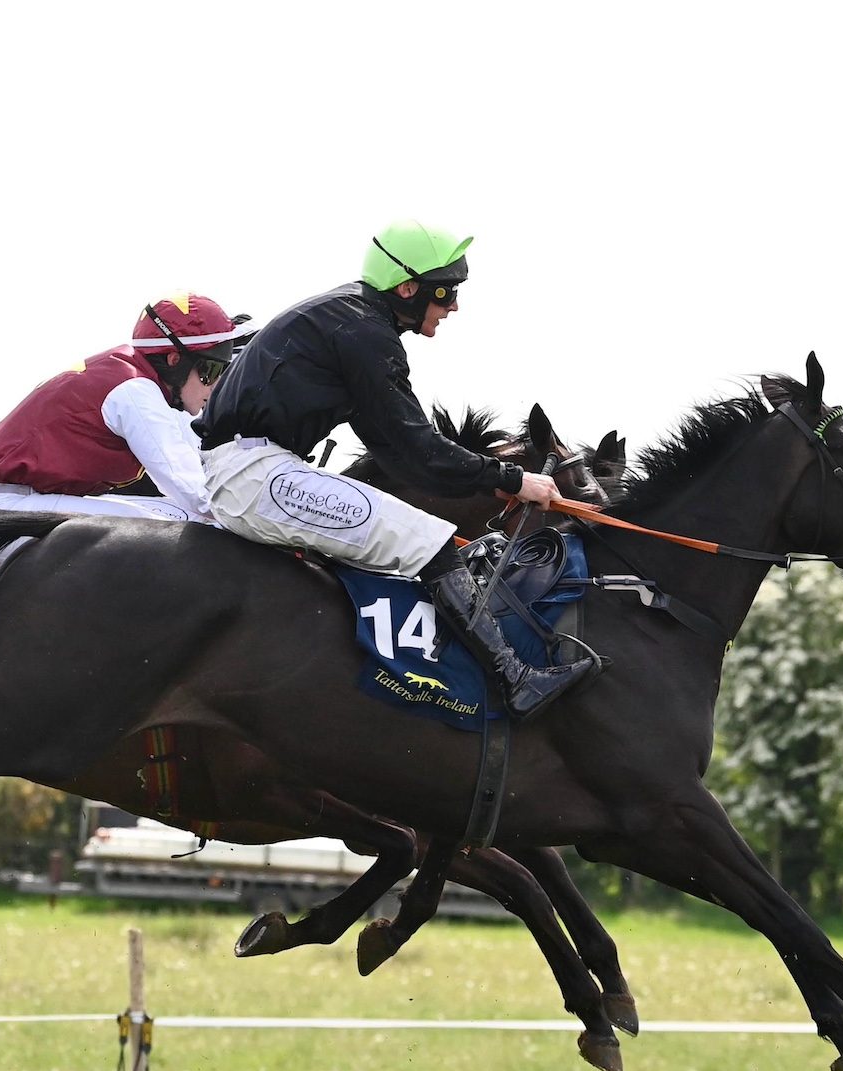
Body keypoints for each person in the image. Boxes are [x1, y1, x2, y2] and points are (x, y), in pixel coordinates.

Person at [194, 220, 592, 718]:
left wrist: (488, 484)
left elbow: (397, 454)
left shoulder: (348, 320)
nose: (453, 307)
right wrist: (512, 479)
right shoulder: (363, 330)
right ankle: (514, 680)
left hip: (256, 470)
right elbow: (417, 447)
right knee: (430, 540)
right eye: (445, 293)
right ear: (408, 288)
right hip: (256, 476)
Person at [0, 294, 254, 522]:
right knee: (173, 525)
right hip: (5, 507)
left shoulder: (136, 378)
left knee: (174, 514)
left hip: (20, 499)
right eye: (211, 372)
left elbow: (198, 468)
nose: (215, 387)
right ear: (175, 361)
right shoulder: (136, 392)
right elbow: (201, 496)